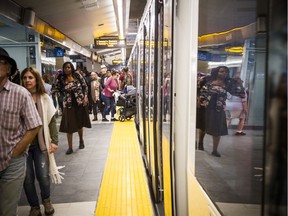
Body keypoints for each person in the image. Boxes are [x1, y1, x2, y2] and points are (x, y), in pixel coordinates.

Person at [0, 47, 42, 216]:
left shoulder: (20, 93)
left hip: (12, 161)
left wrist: (18, 150)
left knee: (7, 209)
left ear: (8, 69)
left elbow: (35, 125)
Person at [21, 67, 64, 216]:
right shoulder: (18, 97)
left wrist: (54, 141)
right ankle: (34, 207)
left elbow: (51, 121)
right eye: (25, 78)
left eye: (30, 78)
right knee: (27, 179)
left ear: (36, 80)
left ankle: (46, 201)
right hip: (22, 145)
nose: (27, 80)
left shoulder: (44, 98)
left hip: (41, 144)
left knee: (43, 176)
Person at [199, 66, 245, 157]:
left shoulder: (228, 84)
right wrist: (201, 103)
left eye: (226, 72)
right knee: (203, 126)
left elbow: (241, 94)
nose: (224, 73)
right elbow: (202, 93)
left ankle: (215, 150)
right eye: (221, 71)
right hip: (207, 108)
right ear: (217, 72)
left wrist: (239, 84)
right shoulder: (209, 82)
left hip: (219, 109)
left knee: (217, 130)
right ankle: (200, 143)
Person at [52, 62, 91, 154]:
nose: (67, 69)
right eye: (65, 67)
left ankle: (81, 141)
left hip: (80, 103)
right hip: (68, 104)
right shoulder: (61, 78)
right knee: (69, 126)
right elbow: (54, 89)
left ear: (72, 68)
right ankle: (70, 147)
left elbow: (85, 86)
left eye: (69, 67)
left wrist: (85, 97)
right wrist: (55, 79)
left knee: (79, 124)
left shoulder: (77, 75)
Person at [226, 71, 248, 135]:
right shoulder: (242, 90)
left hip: (228, 106)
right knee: (242, 119)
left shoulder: (228, 89)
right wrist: (245, 109)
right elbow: (244, 101)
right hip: (239, 107)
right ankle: (239, 131)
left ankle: (224, 131)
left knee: (227, 119)